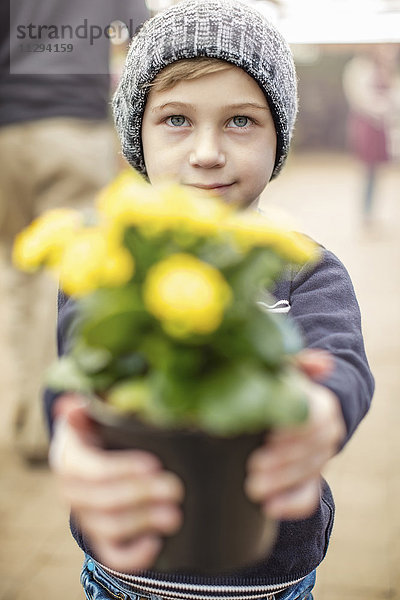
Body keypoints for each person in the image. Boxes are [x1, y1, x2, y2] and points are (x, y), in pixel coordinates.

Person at [45, 1, 374, 598]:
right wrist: (69, 439)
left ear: (279, 139)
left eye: (241, 121)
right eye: (175, 119)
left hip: (273, 576)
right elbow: (74, 372)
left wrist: (321, 409)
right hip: (128, 568)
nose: (206, 152)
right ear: (135, 138)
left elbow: (345, 364)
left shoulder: (305, 268)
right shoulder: (105, 265)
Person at [0, 0, 149, 461]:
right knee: (68, 277)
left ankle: (21, 414)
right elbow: (145, 37)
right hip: (74, 130)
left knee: (17, 272)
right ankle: (49, 424)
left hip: (7, 131)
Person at [342, 44, 400, 225]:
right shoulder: (359, 67)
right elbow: (360, 97)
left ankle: (371, 213)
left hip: (382, 126)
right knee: (368, 169)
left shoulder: (387, 69)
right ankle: (366, 214)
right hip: (367, 124)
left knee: (376, 171)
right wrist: (382, 106)